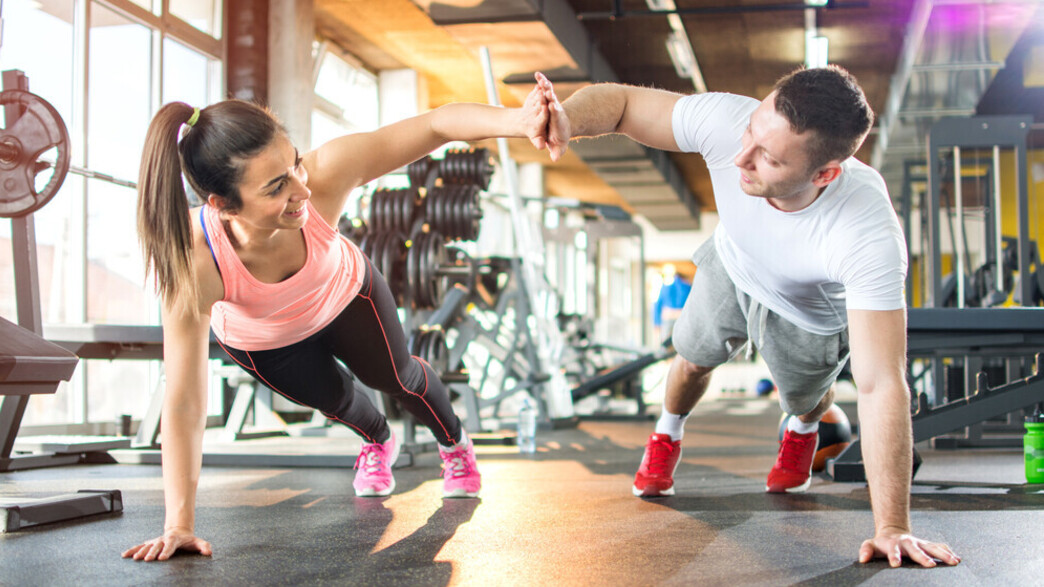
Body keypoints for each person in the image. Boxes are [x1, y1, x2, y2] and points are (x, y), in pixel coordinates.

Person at [533, 67, 961, 568]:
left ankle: (803, 430)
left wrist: (893, 528)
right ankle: (666, 435)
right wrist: (567, 118)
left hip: (806, 313)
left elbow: (881, 383)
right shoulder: (727, 121)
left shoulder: (866, 231)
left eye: (770, 158)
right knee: (690, 359)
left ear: (825, 174)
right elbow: (625, 104)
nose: (741, 158)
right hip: (731, 265)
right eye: (752, 131)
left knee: (803, 399)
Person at [122, 84, 553, 562]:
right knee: (337, 399)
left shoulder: (324, 177)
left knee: (396, 379)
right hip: (264, 338)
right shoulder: (194, 260)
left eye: (294, 164)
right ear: (222, 204)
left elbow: (437, 124)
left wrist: (518, 121)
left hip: (346, 293)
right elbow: (182, 401)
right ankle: (376, 442)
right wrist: (178, 525)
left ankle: (455, 444)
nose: (301, 191)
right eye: (275, 187)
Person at [652, 262, 691, 344]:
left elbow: (657, 306)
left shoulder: (666, 287)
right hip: (682, 317)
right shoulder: (687, 287)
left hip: (668, 316)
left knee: (666, 343)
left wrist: (657, 324)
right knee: (682, 343)